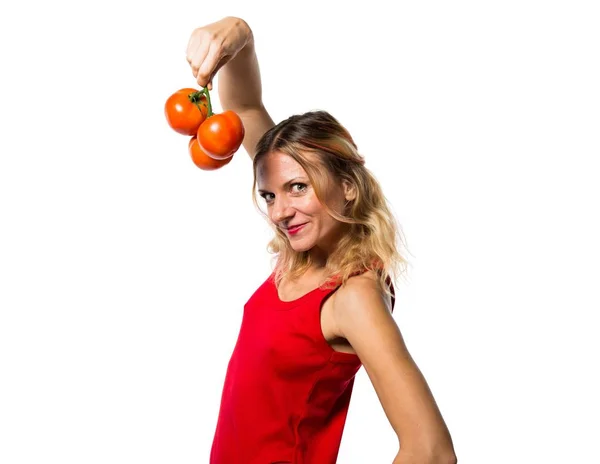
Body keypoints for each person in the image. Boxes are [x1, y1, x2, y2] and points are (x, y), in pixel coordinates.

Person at [185, 16, 457, 464]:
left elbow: (431, 450)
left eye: (298, 188)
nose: (280, 211)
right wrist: (238, 33)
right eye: (270, 194)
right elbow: (246, 107)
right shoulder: (302, 252)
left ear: (347, 185)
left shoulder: (354, 295)